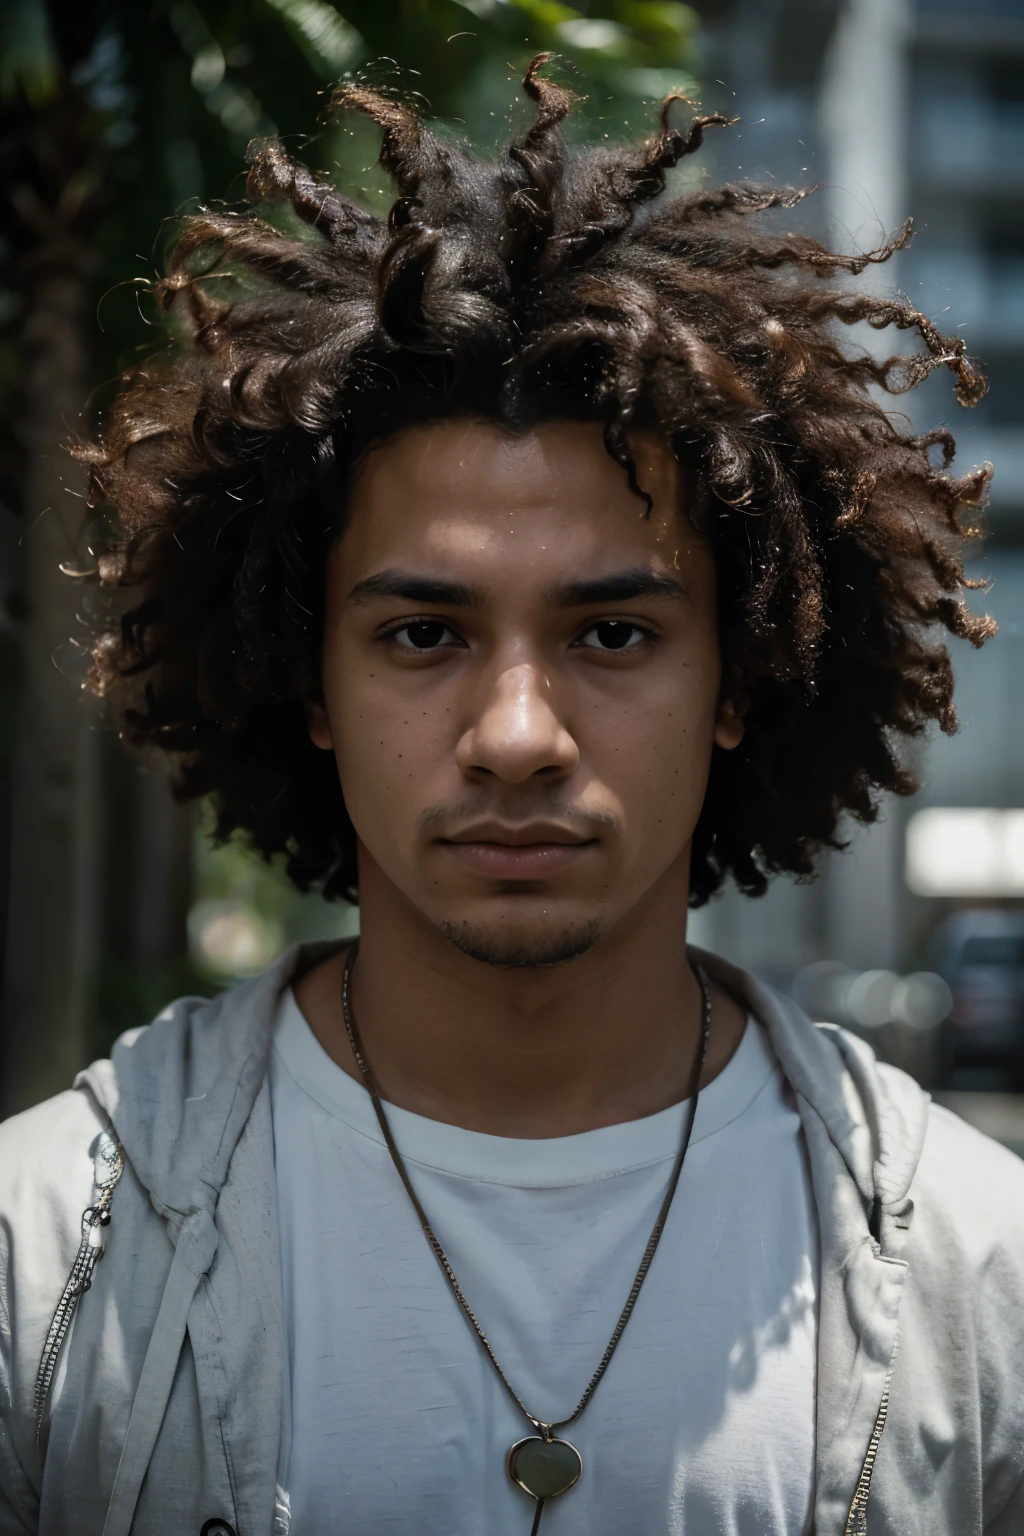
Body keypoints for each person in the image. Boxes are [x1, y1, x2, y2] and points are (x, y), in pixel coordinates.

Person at [2, 56, 1023, 1536]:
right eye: (423, 635)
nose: (519, 734)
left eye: (615, 634)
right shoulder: (47, 1258)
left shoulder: (978, 1283)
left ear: (740, 681)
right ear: (311, 686)